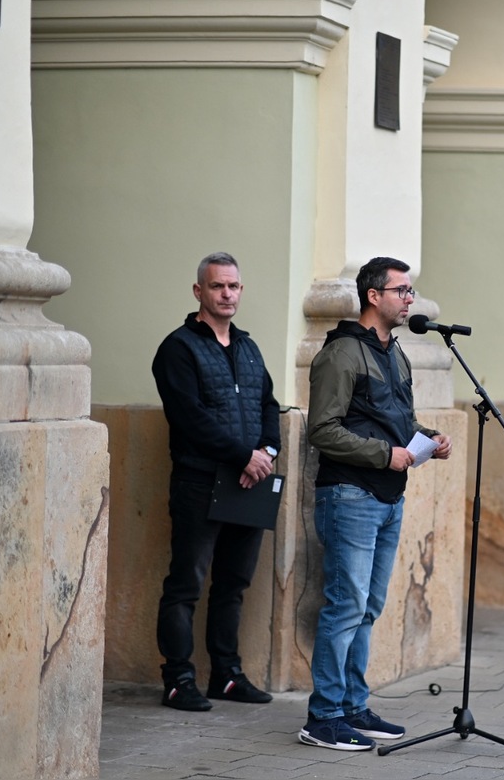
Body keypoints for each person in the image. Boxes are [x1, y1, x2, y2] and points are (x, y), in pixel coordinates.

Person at [300, 257, 454, 752]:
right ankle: (322, 718)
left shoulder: (395, 353)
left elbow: (395, 418)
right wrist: (385, 455)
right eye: (402, 291)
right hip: (349, 494)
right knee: (345, 607)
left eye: (411, 292)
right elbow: (321, 430)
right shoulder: (341, 354)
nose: (410, 299)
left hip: (388, 497)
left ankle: (352, 705)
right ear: (373, 296)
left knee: (367, 607)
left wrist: (428, 438)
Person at [151, 252, 280, 712]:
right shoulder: (178, 348)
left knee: (232, 585)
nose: (227, 294)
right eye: (218, 286)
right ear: (199, 292)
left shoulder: (248, 347)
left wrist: (266, 452)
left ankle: (225, 674)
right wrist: (242, 454)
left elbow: (269, 403)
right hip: (200, 482)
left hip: (249, 483)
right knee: (186, 584)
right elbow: (189, 418)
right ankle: (177, 679)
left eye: (234, 287)